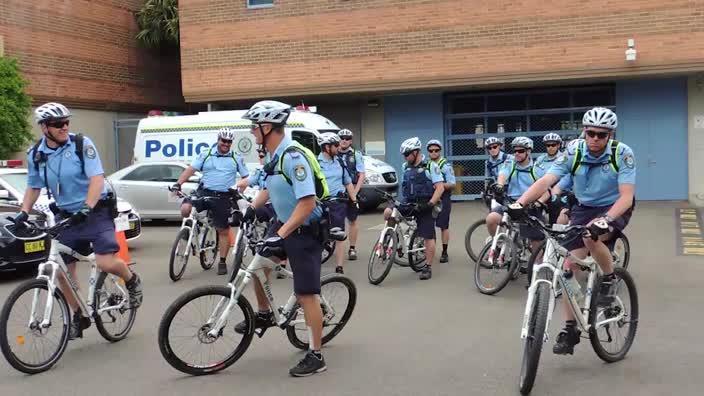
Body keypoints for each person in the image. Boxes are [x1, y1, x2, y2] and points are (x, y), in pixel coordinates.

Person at [506, 107, 636, 356]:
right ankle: (570, 329)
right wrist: (519, 203)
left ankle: (609, 278)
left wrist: (607, 218)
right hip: (584, 207)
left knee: (591, 236)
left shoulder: (622, 154)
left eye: (602, 134)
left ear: (610, 135)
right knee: (568, 269)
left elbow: (627, 196)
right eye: (591, 133)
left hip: (613, 207)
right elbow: (546, 181)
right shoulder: (574, 151)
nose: (596, 139)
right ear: (584, 132)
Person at [16, 102, 143, 340]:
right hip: (67, 215)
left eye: (66, 122)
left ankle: (132, 280)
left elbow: (96, 179)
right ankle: (79, 315)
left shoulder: (81, 144)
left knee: (106, 263)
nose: (64, 127)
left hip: (96, 210)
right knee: (62, 271)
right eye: (58, 124)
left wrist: (87, 207)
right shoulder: (36, 154)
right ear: (44, 128)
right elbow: (33, 186)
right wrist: (24, 211)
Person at [237, 100, 328, 376]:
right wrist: (249, 211)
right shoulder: (274, 157)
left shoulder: (293, 156)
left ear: (268, 127)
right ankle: (264, 313)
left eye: (255, 127)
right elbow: (267, 188)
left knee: (306, 294)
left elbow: (308, 203)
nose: (252, 131)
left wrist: (281, 234)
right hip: (285, 224)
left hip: (306, 229)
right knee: (258, 267)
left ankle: (316, 355)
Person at [172, 127, 249, 275]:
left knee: (223, 230)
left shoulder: (236, 158)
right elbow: (191, 170)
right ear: (218, 140)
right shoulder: (206, 154)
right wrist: (178, 183)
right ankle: (190, 231)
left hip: (223, 196)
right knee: (185, 209)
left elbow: (246, 178)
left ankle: (222, 261)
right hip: (204, 191)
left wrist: (239, 192)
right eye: (223, 140)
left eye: (229, 141)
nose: (226, 144)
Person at [384, 137, 444, 280]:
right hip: (409, 201)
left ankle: (428, 267)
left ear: (416, 152)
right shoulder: (406, 166)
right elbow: (405, 187)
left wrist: (430, 204)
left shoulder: (431, 166)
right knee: (388, 213)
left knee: (428, 236)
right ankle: (395, 240)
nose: (405, 157)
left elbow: (440, 188)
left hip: (425, 204)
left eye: (407, 154)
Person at [485, 136, 547, 256]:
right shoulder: (510, 163)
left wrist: (539, 202)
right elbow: (503, 174)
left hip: (529, 206)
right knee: (491, 219)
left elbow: (546, 188)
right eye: (515, 151)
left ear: (528, 151)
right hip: (511, 203)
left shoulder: (537, 168)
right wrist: (500, 185)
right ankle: (498, 245)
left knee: (536, 240)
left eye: (521, 151)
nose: (517, 154)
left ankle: (536, 265)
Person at [317, 133, 357, 274]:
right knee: (317, 233)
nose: (338, 147)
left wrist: (354, 200)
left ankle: (339, 267)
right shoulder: (316, 163)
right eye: (335, 145)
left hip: (338, 203)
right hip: (320, 204)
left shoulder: (340, 161)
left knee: (339, 234)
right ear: (327, 147)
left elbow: (347, 182)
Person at [337, 129, 365, 261]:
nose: (344, 140)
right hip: (336, 192)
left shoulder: (356, 154)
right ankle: (334, 247)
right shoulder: (333, 153)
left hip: (351, 191)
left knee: (352, 220)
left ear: (351, 141)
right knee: (335, 221)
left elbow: (361, 175)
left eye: (347, 138)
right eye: (342, 137)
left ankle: (352, 248)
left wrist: (355, 191)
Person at [426, 139, 456, 263]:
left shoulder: (445, 165)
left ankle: (444, 252)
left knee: (443, 226)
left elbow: (453, 184)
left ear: (440, 151)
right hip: (430, 197)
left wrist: (440, 185)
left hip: (443, 198)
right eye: (431, 150)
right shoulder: (426, 164)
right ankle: (430, 251)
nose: (433, 152)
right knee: (429, 226)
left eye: (436, 150)